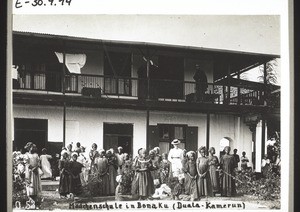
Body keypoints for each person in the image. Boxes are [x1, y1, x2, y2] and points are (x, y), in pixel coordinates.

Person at [24, 142, 42, 207]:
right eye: (31, 147)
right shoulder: (26, 155)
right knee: (30, 184)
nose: (32, 148)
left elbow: (38, 163)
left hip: (35, 171)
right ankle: (30, 199)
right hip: (30, 171)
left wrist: (36, 168)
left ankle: (36, 199)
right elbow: (26, 163)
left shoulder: (36, 155)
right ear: (29, 148)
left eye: (33, 147)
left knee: (36, 184)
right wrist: (32, 169)